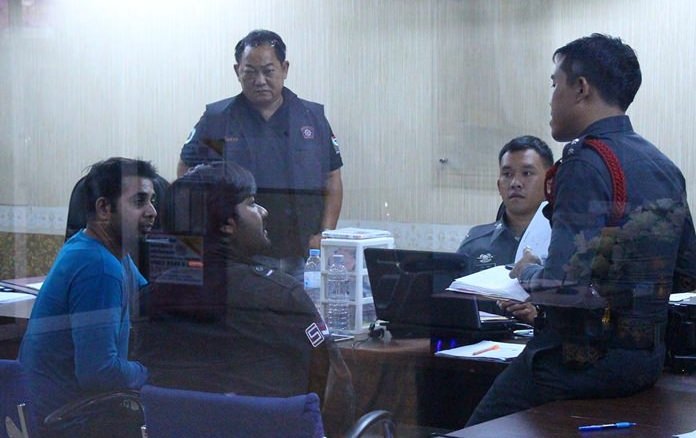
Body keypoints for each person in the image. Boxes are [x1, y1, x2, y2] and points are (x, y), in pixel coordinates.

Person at [466, 33, 696, 426]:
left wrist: (527, 271)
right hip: (646, 363)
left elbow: (563, 286)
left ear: (581, 88)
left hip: (574, 364)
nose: (551, 99)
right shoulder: (663, 166)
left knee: (474, 427)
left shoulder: (584, 163)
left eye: (555, 84)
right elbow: (687, 272)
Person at [132, 162, 355, 436]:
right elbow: (335, 383)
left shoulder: (150, 299)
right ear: (227, 224)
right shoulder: (282, 295)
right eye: (251, 203)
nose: (264, 211)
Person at [177, 29, 343, 281]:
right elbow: (187, 172)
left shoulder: (311, 118)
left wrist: (325, 234)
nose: (260, 80)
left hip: (301, 253)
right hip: (238, 255)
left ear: (284, 69)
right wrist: (206, 227)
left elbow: (332, 178)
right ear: (237, 71)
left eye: (268, 71)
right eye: (250, 72)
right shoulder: (219, 119)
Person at [18, 157, 157, 437]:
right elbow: (99, 373)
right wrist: (153, 371)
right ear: (104, 208)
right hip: (67, 420)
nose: (152, 212)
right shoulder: (99, 266)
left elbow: (151, 300)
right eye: (139, 201)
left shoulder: (105, 252)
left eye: (152, 201)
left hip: (64, 410)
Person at [457, 135, 554, 324]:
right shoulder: (475, 243)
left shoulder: (565, 243)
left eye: (527, 173)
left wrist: (537, 317)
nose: (515, 182)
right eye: (507, 174)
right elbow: (453, 306)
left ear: (549, 183)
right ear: (499, 185)